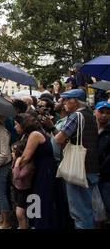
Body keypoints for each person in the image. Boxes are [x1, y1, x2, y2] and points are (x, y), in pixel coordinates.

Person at [44, 89, 99, 229]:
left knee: (79, 212)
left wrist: (52, 128)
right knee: (87, 209)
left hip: (78, 168)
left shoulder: (76, 116)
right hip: (91, 168)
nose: (64, 103)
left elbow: (58, 139)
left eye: (66, 100)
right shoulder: (91, 115)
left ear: (75, 101)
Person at [15, 113, 59, 229]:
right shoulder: (36, 133)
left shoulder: (34, 135)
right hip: (43, 169)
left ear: (23, 125)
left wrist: (17, 161)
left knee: (41, 199)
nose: (15, 127)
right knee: (38, 199)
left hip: (44, 170)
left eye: (16, 124)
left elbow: (25, 158)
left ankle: (41, 225)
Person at [94, 101, 110, 219]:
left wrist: (101, 170)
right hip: (92, 175)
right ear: (95, 112)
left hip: (106, 177)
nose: (104, 115)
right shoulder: (90, 129)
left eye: (107, 113)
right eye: (101, 112)